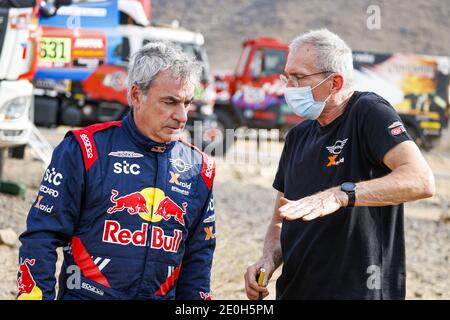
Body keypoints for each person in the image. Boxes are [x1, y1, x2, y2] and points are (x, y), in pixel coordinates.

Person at [244, 29, 435, 300]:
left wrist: (341, 195)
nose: (288, 86)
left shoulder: (368, 113)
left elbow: (421, 180)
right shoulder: (297, 136)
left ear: (334, 82)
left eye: (298, 77)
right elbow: (280, 220)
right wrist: (267, 261)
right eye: (287, 76)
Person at [17, 41, 216, 300]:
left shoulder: (199, 167)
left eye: (187, 103)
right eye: (169, 102)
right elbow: (41, 236)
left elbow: (198, 258)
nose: (182, 116)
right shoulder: (84, 150)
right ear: (136, 95)